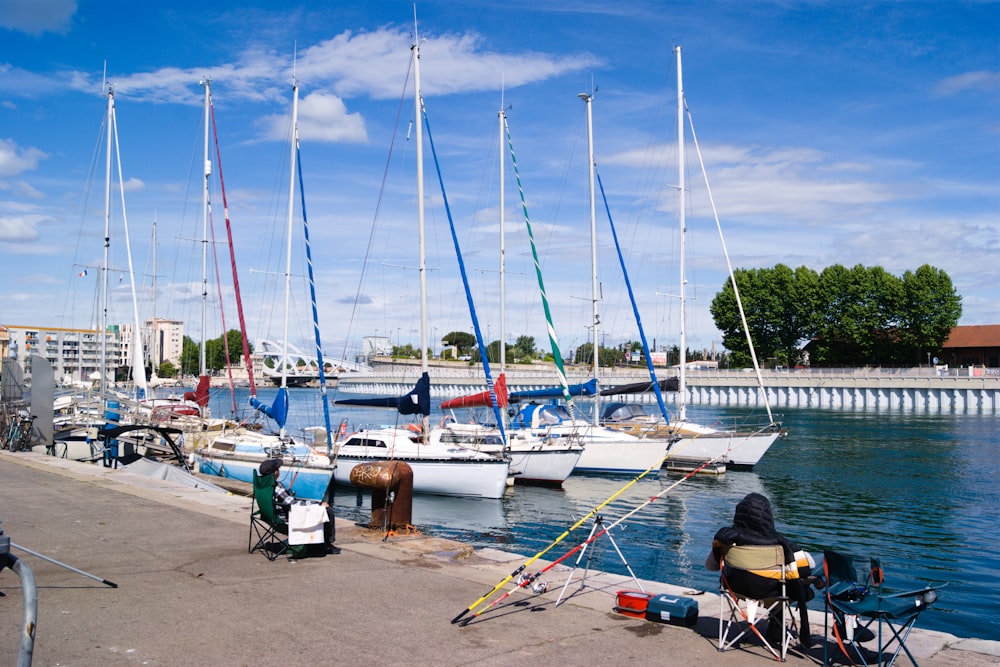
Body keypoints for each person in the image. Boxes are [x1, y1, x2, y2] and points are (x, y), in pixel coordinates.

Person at [706, 492, 814, 647]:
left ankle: (774, 628)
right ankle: (776, 628)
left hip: (735, 589)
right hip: (771, 594)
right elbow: (808, 568)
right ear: (768, 516)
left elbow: (710, 566)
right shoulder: (783, 545)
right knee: (790, 583)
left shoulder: (726, 539)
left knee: (772, 581)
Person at [259, 458, 340, 555]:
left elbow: (286, 501)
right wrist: (317, 504)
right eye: (278, 469)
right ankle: (327, 544)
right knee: (327, 511)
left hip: (271, 518)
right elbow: (293, 504)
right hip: (286, 521)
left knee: (321, 509)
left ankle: (320, 543)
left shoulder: (261, 485)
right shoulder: (277, 487)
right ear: (276, 472)